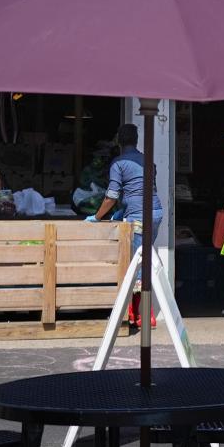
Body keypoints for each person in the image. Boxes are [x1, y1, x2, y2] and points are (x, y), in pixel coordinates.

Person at [88, 123, 164, 330]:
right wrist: (123, 211)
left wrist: (97, 216)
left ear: (119, 142)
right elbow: (144, 189)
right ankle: (137, 314)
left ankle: (143, 316)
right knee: (141, 259)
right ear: (136, 140)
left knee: (135, 265)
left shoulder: (119, 163)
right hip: (155, 214)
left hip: (138, 218)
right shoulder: (148, 161)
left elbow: (112, 195)